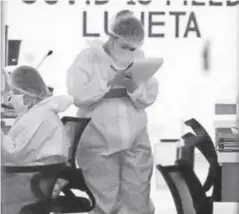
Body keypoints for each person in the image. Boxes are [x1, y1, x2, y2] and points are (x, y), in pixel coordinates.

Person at [67, 11, 158, 214]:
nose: (129, 52)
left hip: (135, 139)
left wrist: (132, 86)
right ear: (113, 38)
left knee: (138, 197)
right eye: (125, 46)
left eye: (133, 48)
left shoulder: (139, 58)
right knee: (104, 200)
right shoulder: (88, 58)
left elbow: (149, 96)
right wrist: (107, 81)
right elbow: (78, 95)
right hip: (98, 141)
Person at [1, 66, 73, 214]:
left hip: (27, 182)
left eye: (14, 92)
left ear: (27, 94)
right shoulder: (38, 113)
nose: (9, 98)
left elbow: (14, 154)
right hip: (33, 178)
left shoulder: (39, 117)